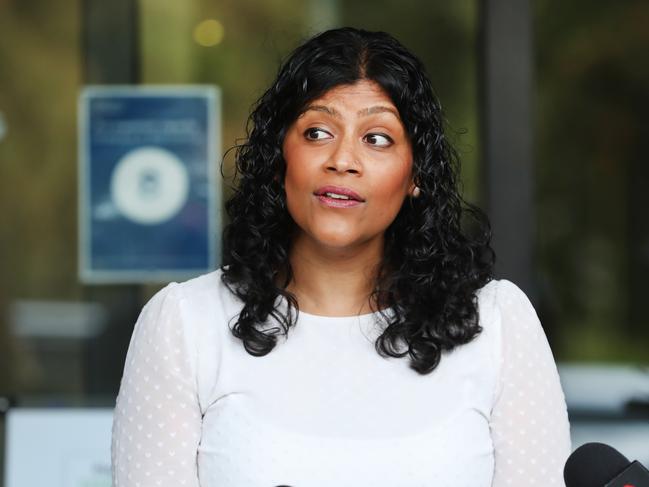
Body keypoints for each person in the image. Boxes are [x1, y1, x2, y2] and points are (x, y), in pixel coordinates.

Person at [111, 27, 571, 487]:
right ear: (279, 159)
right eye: (317, 131)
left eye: (377, 138)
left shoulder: (499, 324)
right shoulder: (183, 324)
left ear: (416, 175)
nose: (343, 160)